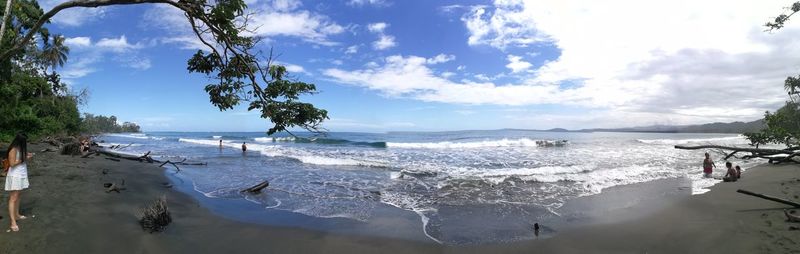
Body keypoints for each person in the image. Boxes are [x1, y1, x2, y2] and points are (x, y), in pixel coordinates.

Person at [5, 133, 34, 232]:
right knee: (13, 198)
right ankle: (13, 222)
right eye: (24, 141)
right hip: (15, 175)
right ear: (20, 141)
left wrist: (27, 156)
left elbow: (20, 159)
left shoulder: (20, 148)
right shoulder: (13, 149)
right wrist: (24, 159)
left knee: (18, 195)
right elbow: (12, 164)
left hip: (21, 174)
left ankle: (17, 215)